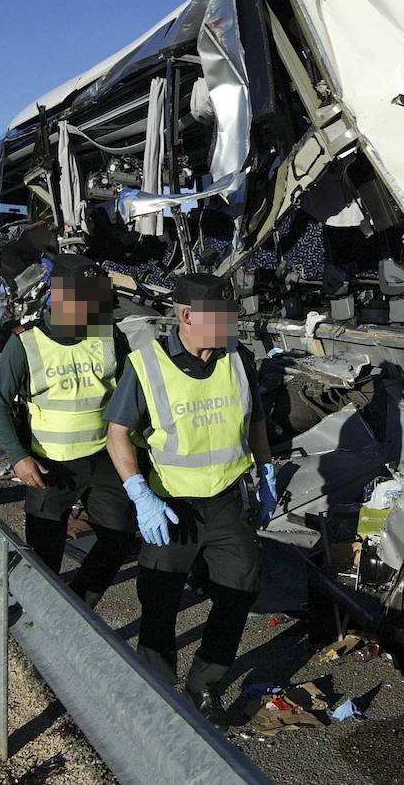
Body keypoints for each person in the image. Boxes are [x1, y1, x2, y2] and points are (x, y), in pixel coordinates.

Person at [105, 272, 278, 729]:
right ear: (186, 316)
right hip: (170, 505)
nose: (230, 325)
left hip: (226, 502)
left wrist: (266, 470)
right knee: (159, 601)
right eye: (220, 317)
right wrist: (138, 493)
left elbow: (255, 420)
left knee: (239, 589)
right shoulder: (146, 365)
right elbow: (117, 434)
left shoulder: (238, 357)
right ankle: (158, 689)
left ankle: (206, 685)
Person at [0, 254, 135, 609]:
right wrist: (19, 459)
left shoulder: (108, 335)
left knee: (118, 541)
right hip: (49, 469)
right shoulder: (26, 344)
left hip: (103, 461)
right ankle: (44, 625)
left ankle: (78, 609)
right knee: (44, 559)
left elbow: (130, 395)